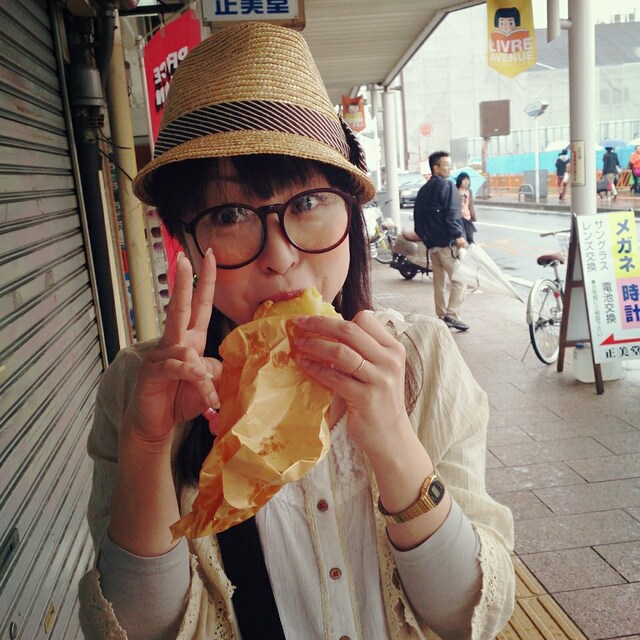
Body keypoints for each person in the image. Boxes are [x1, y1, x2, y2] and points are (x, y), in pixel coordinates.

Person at [78, 22, 515, 640]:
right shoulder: (137, 390)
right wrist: (149, 448)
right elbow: (128, 630)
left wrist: (393, 436)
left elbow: (473, 616)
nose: (280, 256)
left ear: (349, 210)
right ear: (186, 240)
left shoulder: (424, 357)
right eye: (230, 214)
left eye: (307, 203)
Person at [414, 152, 470, 332]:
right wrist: (458, 236)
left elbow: (417, 220)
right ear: (436, 168)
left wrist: (427, 239)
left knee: (438, 282)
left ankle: (441, 314)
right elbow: (452, 213)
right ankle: (452, 315)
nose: (449, 168)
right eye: (446, 164)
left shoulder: (423, 190)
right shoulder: (447, 185)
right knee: (461, 279)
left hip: (432, 246)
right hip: (447, 244)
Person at [455, 172, 478, 244]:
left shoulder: (469, 191)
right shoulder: (455, 191)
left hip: (468, 218)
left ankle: (471, 250)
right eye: (464, 179)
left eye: (468, 180)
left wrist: (473, 215)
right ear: (460, 180)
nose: (466, 181)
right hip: (459, 218)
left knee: (470, 239)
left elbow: (470, 205)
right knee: (462, 240)